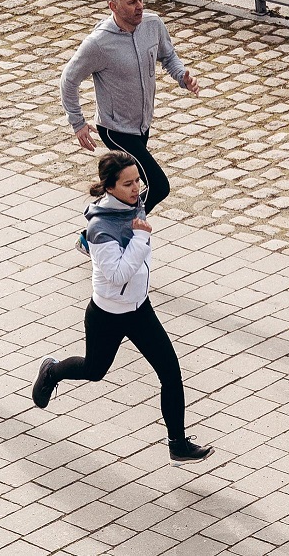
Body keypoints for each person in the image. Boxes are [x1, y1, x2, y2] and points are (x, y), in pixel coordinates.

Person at [32, 151, 213, 466]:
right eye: (128, 183)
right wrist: (140, 238)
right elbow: (117, 275)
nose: (136, 188)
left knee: (171, 374)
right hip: (108, 315)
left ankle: (178, 444)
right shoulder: (100, 228)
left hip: (140, 309)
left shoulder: (133, 203)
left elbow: (159, 186)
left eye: (137, 181)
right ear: (109, 187)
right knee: (94, 371)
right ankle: (52, 371)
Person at [60, 0, 200, 253]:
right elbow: (68, 79)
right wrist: (78, 123)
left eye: (141, 0)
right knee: (157, 186)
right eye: (132, 2)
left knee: (122, 187)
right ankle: (108, 233)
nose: (140, 7)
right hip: (116, 129)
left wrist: (182, 77)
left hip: (142, 125)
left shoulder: (153, 24)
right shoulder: (98, 43)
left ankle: (94, 228)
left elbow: (168, 55)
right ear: (113, 6)